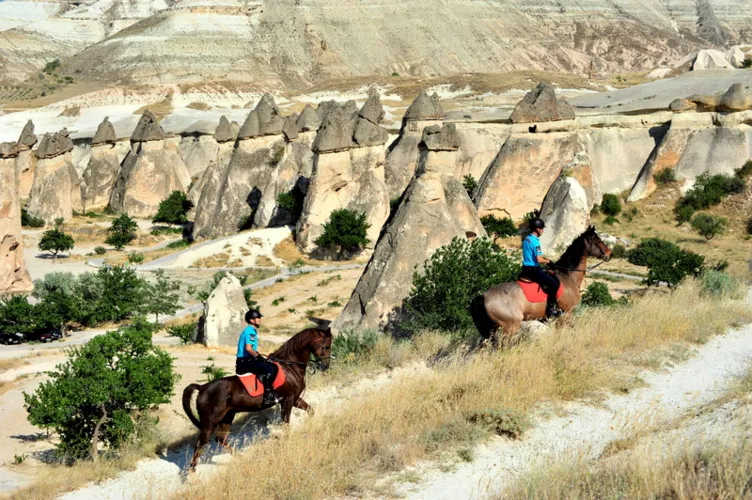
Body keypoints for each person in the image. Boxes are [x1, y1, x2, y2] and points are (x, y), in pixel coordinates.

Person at [521, 218, 563, 318]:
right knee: (554, 283)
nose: (543, 231)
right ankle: (551, 309)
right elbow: (539, 259)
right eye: (542, 229)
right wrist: (549, 262)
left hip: (525, 268)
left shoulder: (527, 239)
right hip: (533, 270)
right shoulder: (535, 242)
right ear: (538, 229)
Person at [236, 309, 279, 406]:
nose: (260, 320)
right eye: (258, 318)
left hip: (247, 360)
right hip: (245, 362)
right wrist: (258, 357)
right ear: (252, 320)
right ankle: (268, 397)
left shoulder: (251, 330)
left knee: (272, 366)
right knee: (270, 369)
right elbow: (249, 348)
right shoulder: (250, 331)